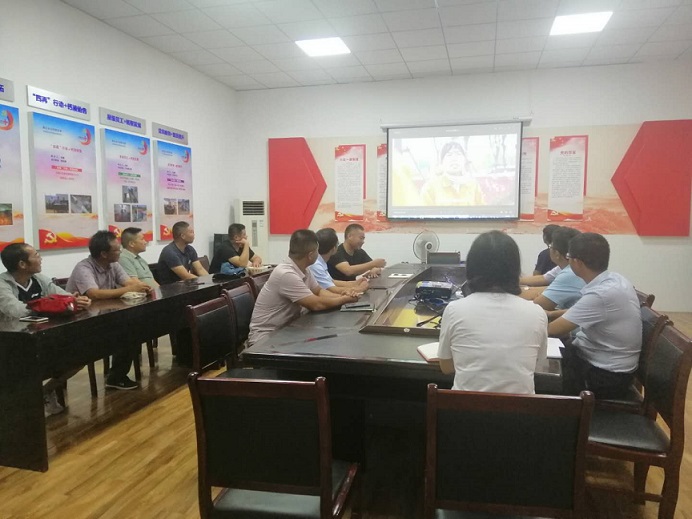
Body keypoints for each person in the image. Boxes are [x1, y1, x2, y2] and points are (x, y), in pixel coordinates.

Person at [437, 230, 548, 394]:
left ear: (471, 268)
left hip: (464, 409)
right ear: (515, 269)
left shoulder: (454, 310)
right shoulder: (537, 313)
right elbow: (538, 366)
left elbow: (446, 367)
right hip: (521, 409)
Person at [1, 243, 92, 415]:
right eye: (36, 255)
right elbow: (15, 311)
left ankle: (45, 391)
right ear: (22, 264)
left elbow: (64, 297)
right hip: (13, 344)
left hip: (43, 337)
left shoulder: (39, 279)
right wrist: (48, 305)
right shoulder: (3, 284)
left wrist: (78, 301)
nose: (40, 258)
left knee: (80, 356)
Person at [548, 233, 642, 399]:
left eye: (569, 257)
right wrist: (550, 313)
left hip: (605, 376)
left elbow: (552, 330)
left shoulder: (601, 294)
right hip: (604, 363)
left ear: (577, 262)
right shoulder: (614, 280)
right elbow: (580, 310)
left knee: (542, 376)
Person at [66, 231, 151, 390]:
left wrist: (140, 286)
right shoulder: (84, 267)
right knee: (125, 334)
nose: (120, 252)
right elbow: (94, 294)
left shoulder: (114, 264)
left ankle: (117, 376)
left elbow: (127, 282)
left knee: (133, 329)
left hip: (106, 315)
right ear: (104, 254)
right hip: (81, 321)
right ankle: (116, 377)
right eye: (117, 250)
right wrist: (130, 289)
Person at [248, 229, 359, 347]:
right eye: (317, 250)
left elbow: (319, 292)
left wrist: (344, 295)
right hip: (266, 339)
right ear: (310, 255)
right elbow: (316, 304)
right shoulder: (286, 274)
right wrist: (344, 299)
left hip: (288, 330)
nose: (319, 254)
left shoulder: (304, 269)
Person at [532, 227, 585, 320]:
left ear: (557, 253)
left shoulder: (569, 274)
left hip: (576, 327)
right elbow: (543, 279)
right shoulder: (572, 267)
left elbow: (537, 306)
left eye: (550, 246)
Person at [421, 141, 484, 206]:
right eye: (449, 155)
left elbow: (482, 209)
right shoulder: (430, 187)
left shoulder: (473, 185)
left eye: (458, 154)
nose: (454, 158)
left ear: (465, 160)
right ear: (442, 162)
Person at [309, 228, 368, 295]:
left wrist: (355, 283)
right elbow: (331, 289)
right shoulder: (316, 265)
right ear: (334, 248)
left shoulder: (320, 261)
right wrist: (359, 289)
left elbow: (330, 282)